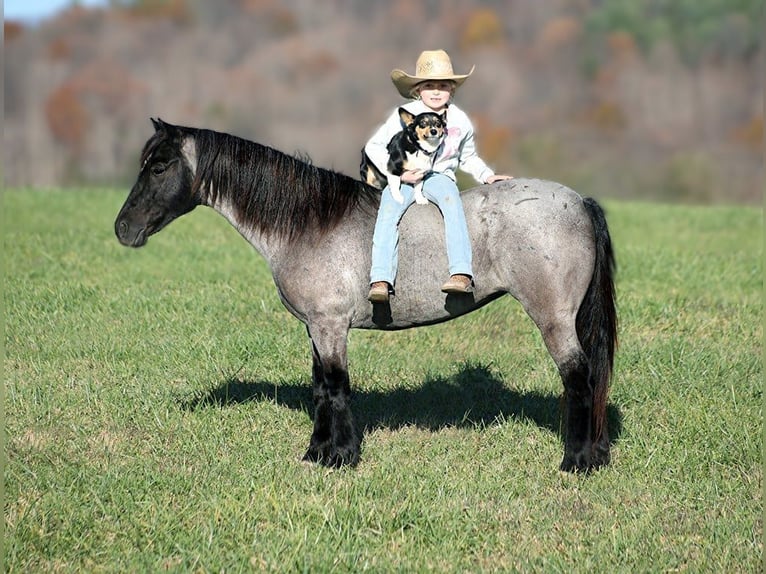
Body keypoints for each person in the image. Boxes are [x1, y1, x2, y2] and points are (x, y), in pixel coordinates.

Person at [364, 49, 513, 303]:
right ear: (417, 90)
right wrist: (398, 174)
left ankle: (461, 273)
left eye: (443, 86)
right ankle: (380, 278)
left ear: (452, 90)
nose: (436, 91)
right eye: (429, 86)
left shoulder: (460, 121)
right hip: (406, 175)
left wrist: (487, 175)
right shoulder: (404, 114)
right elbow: (373, 147)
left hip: (438, 175)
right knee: (388, 209)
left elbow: (467, 157)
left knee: (451, 201)